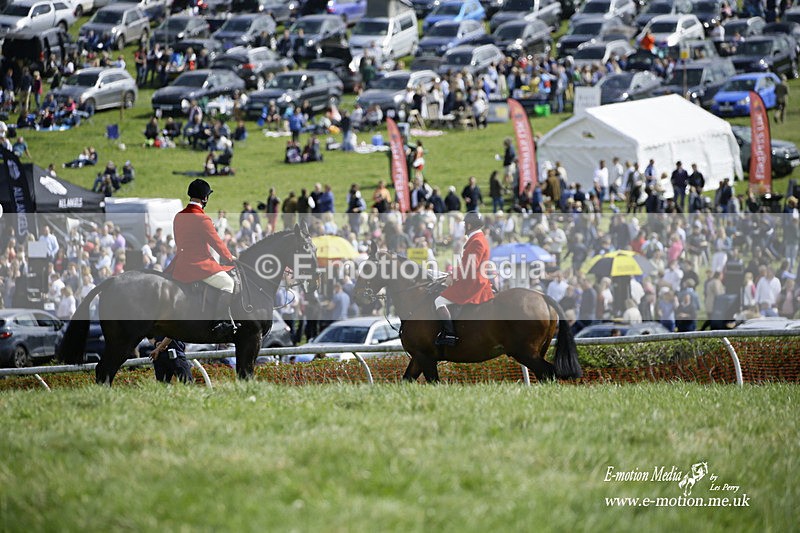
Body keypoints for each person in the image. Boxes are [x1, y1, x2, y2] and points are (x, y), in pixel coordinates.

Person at [168, 179, 238, 337]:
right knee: (229, 283)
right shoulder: (203, 219)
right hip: (198, 266)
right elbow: (217, 243)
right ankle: (219, 323)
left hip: (179, 265)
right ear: (205, 198)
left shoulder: (178, 216)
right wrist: (229, 258)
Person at [434, 212, 494, 345]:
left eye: (465, 224)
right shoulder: (478, 238)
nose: (464, 227)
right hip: (471, 279)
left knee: (439, 301)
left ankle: (450, 335)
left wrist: (452, 276)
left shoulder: (477, 241)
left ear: (469, 225)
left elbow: (470, 266)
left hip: (472, 283)